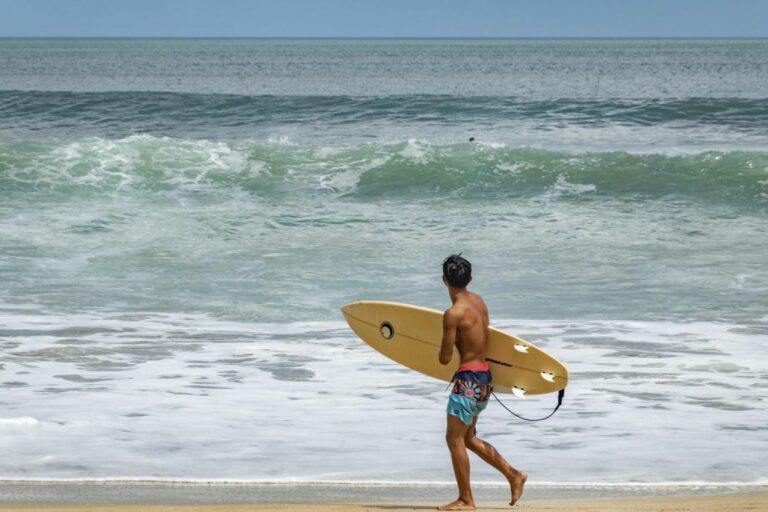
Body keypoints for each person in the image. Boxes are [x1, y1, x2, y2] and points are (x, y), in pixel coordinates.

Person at [437, 254, 527, 511]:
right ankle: (513, 474)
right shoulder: (479, 302)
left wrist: (447, 341)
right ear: (470, 279)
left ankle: (466, 500)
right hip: (485, 378)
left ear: (444, 281)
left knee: (453, 439)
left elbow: (444, 359)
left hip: (467, 380)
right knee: (467, 438)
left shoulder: (452, 314)